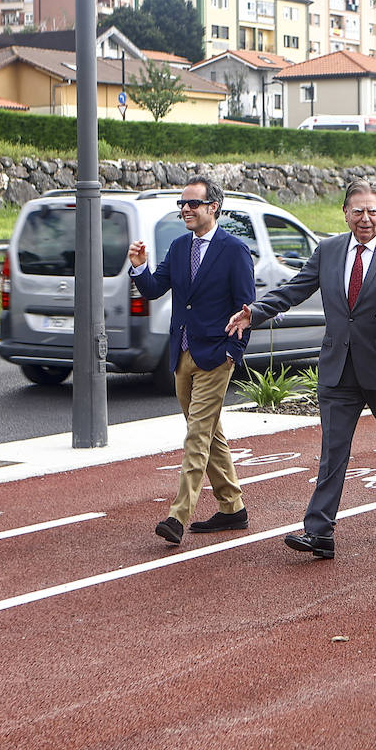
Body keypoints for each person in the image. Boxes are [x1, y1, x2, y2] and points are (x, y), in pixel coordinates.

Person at [226, 180, 376, 558]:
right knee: (332, 452)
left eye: (372, 210)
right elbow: (294, 289)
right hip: (338, 367)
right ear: (345, 214)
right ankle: (319, 531)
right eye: (357, 211)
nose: (365, 218)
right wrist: (255, 312)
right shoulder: (329, 250)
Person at [129, 175, 255, 545]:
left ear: (213, 207)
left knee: (196, 437)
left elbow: (245, 306)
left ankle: (177, 515)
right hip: (182, 354)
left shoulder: (234, 250)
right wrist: (139, 267)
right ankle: (232, 507)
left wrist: (233, 353)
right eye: (182, 204)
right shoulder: (179, 246)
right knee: (210, 432)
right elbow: (154, 289)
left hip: (216, 355)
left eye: (193, 204)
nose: (185, 209)